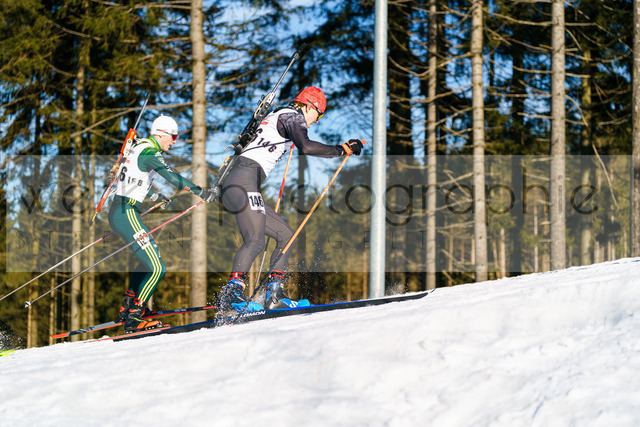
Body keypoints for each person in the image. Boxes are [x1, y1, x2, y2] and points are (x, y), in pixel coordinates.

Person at [217, 86, 364, 313]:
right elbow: (306, 146)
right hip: (242, 181)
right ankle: (231, 293)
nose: (316, 122)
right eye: (318, 115)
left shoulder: (279, 115)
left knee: (286, 235)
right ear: (308, 106)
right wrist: (342, 149)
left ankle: (274, 295)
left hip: (241, 183)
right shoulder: (292, 116)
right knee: (255, 240)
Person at [108, 114, 215, 333]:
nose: (174, 141)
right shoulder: (150, 152)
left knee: (150, 260)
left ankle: (129, 304)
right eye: (173, 136)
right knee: (157, 268)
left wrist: (155, 196)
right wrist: (201, 191)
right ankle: (135, 315)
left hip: (123, 210)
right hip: (126, 211)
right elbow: (173, 177)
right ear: (161, 134)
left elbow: (133, 181)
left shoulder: (139, 147)